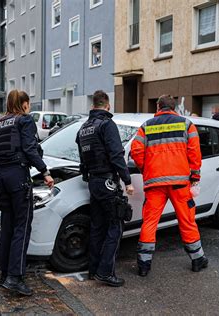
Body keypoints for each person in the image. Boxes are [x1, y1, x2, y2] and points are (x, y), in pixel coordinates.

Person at [0, 90, 54, 296]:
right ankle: (15, 278)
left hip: (1, 179)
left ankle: (5, 273)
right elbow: (31, 149)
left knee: (7, 226)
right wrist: (45, 172)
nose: (29, 106)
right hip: (17, 178)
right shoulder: (24, 121)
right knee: (21, 228)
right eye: (28, 103)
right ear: (23, 104)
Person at [131, 95, 208, 277]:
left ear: (158, 106)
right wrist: (195, 176)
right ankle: (197, 259)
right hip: (180, 184)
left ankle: (144, 265)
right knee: (187, 220)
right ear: (174, 108)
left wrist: (147, 169)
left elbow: (136, 151)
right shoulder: (187, 124)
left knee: (150, 222)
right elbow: (195, 153)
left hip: (155, 183)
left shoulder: (146, 126)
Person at [76, 90, 134, 287]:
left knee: (97, 226)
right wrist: (127, 181)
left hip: (94, 182)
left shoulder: (83, 128)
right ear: (107, 106)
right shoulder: (107, 125)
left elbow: (82, 159)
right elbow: (116, 155)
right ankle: (105, 273)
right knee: (115, 225)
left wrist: (88, 177)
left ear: (93, 106)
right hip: (108, 182)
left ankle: (94, 270)